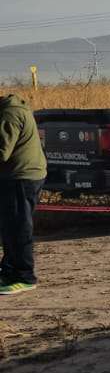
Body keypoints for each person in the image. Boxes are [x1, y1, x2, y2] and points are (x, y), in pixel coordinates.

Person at [0, 93, 46, 295]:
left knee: (18, 227)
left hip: (21, 177)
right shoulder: (9, 110)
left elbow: (1, 151)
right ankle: (9, 270)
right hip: (15, 175)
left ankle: (24, 276)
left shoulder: (9, 114)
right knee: (9, 226)